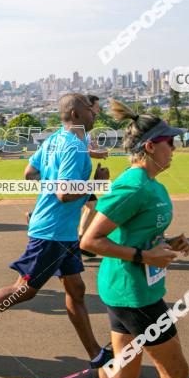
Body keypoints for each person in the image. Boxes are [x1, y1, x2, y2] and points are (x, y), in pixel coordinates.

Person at [15, 101, 189, 378]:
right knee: (176, 376)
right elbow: (89, 240)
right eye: (168, 142)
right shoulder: (132, 186)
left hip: (131, 288)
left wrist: (167, 243)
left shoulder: (149, 184)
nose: (173, 148)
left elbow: (139, 232)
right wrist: (145, 257)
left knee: (121, 377)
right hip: (134, 294)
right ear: (149, 146)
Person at [0, 93, 111, 367]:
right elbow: (64, 193)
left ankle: (95, 354)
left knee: (76, 290)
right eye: (92, 112)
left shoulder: (55, 140)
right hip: (52, 232)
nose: (96, 116)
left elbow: (29, 173)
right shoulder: (73, 147)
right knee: (24, 290)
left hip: (62, 232)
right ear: (77, 114)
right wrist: (96, 183)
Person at [78, 95, 110, 258]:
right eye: (96, 107)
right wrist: (96, 183)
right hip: (73, 181)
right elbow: (79, 150)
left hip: (78, 181)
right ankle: (81, 241)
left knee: (90, 206)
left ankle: (81, 241)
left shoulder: (82, 131)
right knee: (90, 206)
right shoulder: (78, 132)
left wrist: (96, 154)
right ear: (87, 108)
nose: (98, 110)